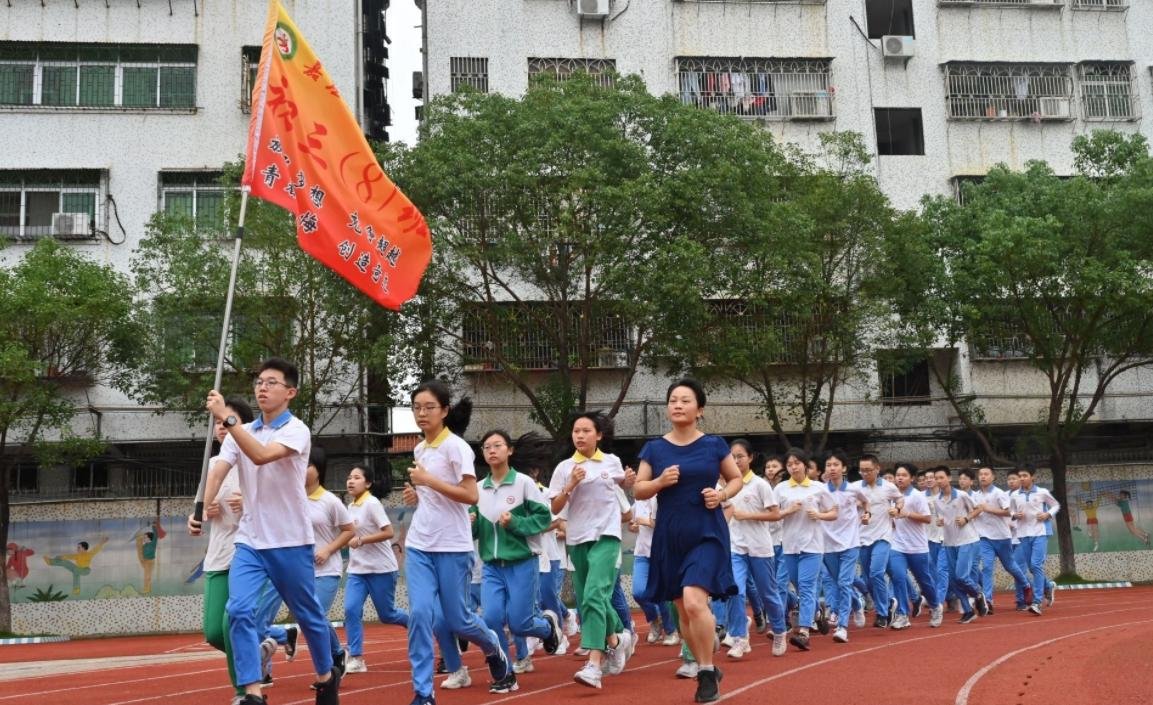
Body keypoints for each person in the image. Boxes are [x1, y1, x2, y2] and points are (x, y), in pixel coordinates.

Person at [198, 358, 341, 705]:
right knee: (238, 611)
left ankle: (326, 676)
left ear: (290, 392)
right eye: (259, 381)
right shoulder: (240, 432)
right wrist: (203, 504)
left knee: (308, 615)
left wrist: (228, 418)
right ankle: (252, 691)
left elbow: (261, 455)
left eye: (271, 382)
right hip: (250, 541)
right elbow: (218, 469)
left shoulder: (296, 430)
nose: (262, 387)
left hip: (291, 541)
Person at [402, 380, 510, 705]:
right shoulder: (420, 449)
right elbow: (432, 496)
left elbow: (470, 495)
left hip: (452, 545)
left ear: (445, 410)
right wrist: (417, 494)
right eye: (417, 407)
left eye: (429, 407)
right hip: (420, 544)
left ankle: (492, 645)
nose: (422, 413)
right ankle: (423, 692)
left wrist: (427, 481)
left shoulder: (457, 447)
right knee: (420, 614)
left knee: (458, 619)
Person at [633, 379, 740, 703]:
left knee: (694, 601)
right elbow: (638, 489)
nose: (678, 405)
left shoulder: (714, 445)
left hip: (706, 531)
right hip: (670, 536)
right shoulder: (654, 449)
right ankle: (708, 662)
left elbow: (735, 478)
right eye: (673, 400)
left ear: (700, 409)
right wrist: (659, 482)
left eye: (685, 400)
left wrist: (721, 495)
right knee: (682, 610)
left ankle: (705, 672)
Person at [548, 411, 636, 691]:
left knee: (595, 595)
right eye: (576, 431)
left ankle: (594, 665)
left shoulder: (611, 461)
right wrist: (571, 484)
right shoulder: (564, 467)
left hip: (606, 536)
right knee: (588, 598)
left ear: (598, 435)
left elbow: (623, 490)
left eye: (586, 431)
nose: (580, 435)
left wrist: (628, 481)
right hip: (577, 539)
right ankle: (616, 640)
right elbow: (555, 507)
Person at [187, 395, 254, 701]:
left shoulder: (258, 460)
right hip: (218, 554)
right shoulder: (212, 465)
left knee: (231, 625)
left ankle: (244, 691)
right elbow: (197, 512)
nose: (221, 427)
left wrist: (251, 503)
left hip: (250, 554)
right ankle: (259, 650)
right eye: (216, 422)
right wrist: (198, 517)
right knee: (214, 632)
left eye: (227, 420)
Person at [722, 438, 786, 658]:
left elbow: (775, 514)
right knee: (735, 591)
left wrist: (748, 515)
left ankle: (779, 631)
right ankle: (740, 638)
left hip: (760, 548)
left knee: (768, 594)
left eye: (740, 456)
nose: (736, 460)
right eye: (732, 457)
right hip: (735, 548)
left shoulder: (760, 485)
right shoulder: (726, 486)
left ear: (750, 458)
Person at [343, 464, 406, 674]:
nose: (351, 481)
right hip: (357, 570)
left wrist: (361, 540)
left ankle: (422, 624)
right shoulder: (350, 507)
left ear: (368, 483)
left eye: (357, 477)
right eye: (349, 477)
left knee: (387, 615)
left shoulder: (372, 503)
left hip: (381, 569)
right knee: (351, 610)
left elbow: (388, 532)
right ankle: (356, 657)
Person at [888, 463, 943, 629]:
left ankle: (935, 606)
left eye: (904, 475)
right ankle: (903, 614)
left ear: (911, 478)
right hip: (897, 546)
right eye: (898, 475)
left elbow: (927, 518)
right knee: (898, 577)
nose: (900, 478)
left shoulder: (917, 496)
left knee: (924, 581)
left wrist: (907, 514)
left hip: (917, 547)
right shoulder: (892, 497)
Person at [971, 466, 1032, 613]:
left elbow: (1008, 512)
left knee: (1010, 566)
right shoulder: (975, 495)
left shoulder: (999, 493)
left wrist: (988, 509)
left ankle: (1026, 586)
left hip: (1002, 537)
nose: (983, 477)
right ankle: (988, 601)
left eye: (986, 474)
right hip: (984, 537)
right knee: (987, 568)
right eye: (981, 474)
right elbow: (973, 511)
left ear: (993, 477)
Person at [820, 451, 866, 643]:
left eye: (836, 464)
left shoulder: (854, 489)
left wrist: (866, 514)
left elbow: (866, 502)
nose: (832, 468)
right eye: (829, 465)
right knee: (839, 582)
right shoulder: (821, 491)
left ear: (844, 468)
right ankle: (857, 603)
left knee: (844, 582)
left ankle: (842, 627)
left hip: (850, 543)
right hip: (828, 544)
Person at [932, 467, 987, 625]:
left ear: (949, 478)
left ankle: (978, 594)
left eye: (941, 477)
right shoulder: (936, 500)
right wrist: (940, 521)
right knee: (953, 580)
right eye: (936, 478)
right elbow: (942, 517)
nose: (939, 481)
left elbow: (979, 509)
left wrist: (966, 519)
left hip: (967, 540)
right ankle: (968, 611)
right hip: (949, 542)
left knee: (961, 576)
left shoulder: (962, 495)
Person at [854, 454, 903, 628]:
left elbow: (900, 499)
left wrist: (897, 509)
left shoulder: (888, 487)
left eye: (868, 470)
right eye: (862, 470)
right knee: (868, 579)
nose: (865, 473)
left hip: (883, 536)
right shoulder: (855, 487)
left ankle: (882, 613)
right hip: (862, 538)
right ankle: (888, 603)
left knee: (876, 573)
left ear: (877, 469)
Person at [1012, 467, 1061, 615]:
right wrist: (1015, 515)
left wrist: (1047, 514)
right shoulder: (1015, 495)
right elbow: (1011, 511)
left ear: (1032, 477)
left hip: (1040, 532)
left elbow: (1056, 505)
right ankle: (1048, 586)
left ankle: (1037, 602)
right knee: (1032, 567)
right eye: (1020, 476)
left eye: (1025, 475)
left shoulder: (1042, 492)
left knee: (1035, 565)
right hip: (1023, 534)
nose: (1022, 478)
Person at [44, 537, 108, 596]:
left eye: (79, 547)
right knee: (66, 562)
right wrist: (60, 557)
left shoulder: (89, 554)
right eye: (77, 547)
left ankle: (76, 589)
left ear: (84, 548)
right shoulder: (77, 555)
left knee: (76, 571)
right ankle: (51, 562)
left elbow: (96, 549)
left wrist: (102, 542)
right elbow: (69, 556)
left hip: (85, 570)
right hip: (77, 569)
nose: (77, 549)